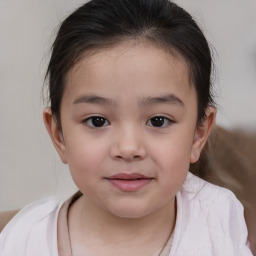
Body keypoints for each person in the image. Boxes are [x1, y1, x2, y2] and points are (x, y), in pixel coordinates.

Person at [0, 0, 253, 255]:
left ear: (199, 134)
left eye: (158, 121)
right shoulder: (23, 240)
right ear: (59, 135)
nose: (128, 148)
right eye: (97, 121)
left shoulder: (218, 218)